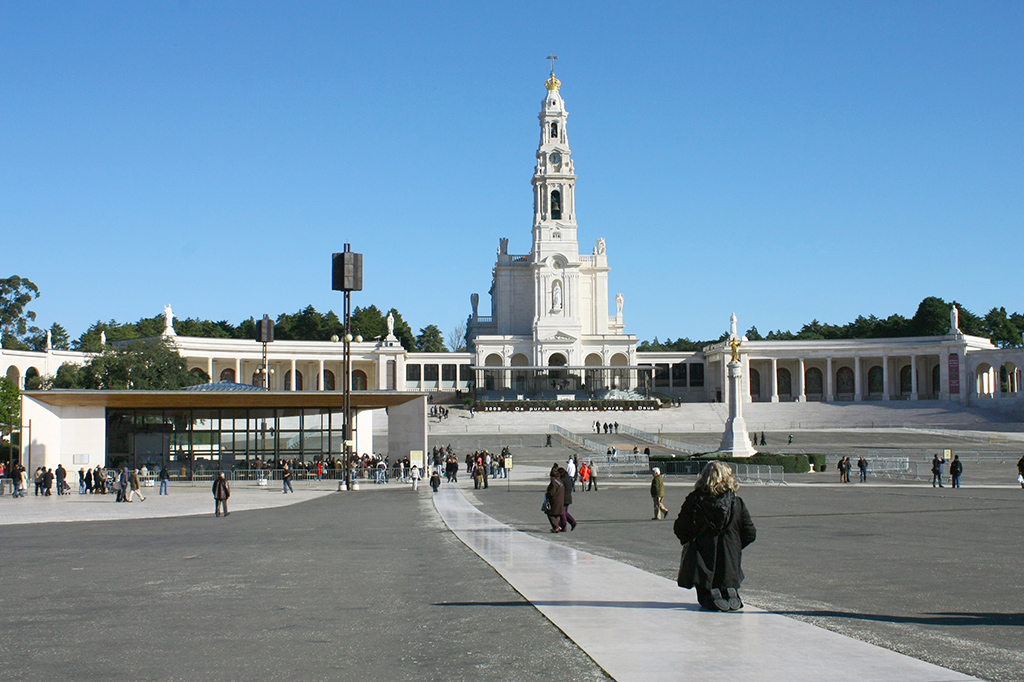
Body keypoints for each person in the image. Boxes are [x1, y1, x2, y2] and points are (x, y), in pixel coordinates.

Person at [674, 461, 756, 611]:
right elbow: (750, 533)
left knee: (705, 592)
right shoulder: (736, 503)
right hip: (729, 558)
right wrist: (736, 545)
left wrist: (691, 541)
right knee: (727, 578)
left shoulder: (694, 500)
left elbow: (680, 528)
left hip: (702, 559)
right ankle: (729, 590)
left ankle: (712, 594)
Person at [559, 466, 577, 531]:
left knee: (562, 513)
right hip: (568, 497)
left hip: (564, 498)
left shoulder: (562, 480)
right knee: (565, 512)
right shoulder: (568, 479)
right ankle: (572, 523)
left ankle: (564, 527)